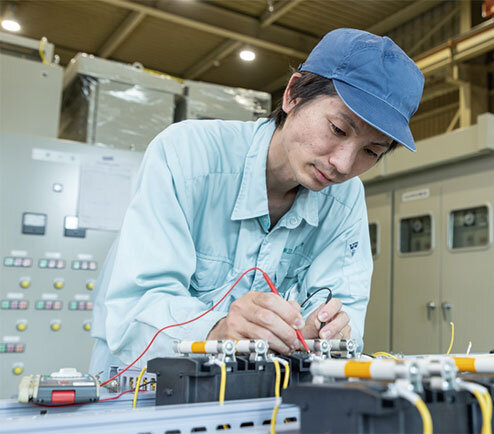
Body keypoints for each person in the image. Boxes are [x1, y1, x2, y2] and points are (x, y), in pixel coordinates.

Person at [89, 28, 424, 378]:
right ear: (293, 95)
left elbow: (345, 311)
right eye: (338, 130)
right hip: (141, 383)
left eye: (371, 151)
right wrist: (216, 331)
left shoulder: (345, 198)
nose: (343, 164)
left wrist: (328, 333)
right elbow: (135, 307)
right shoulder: (186, 154)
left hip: (250, 394)